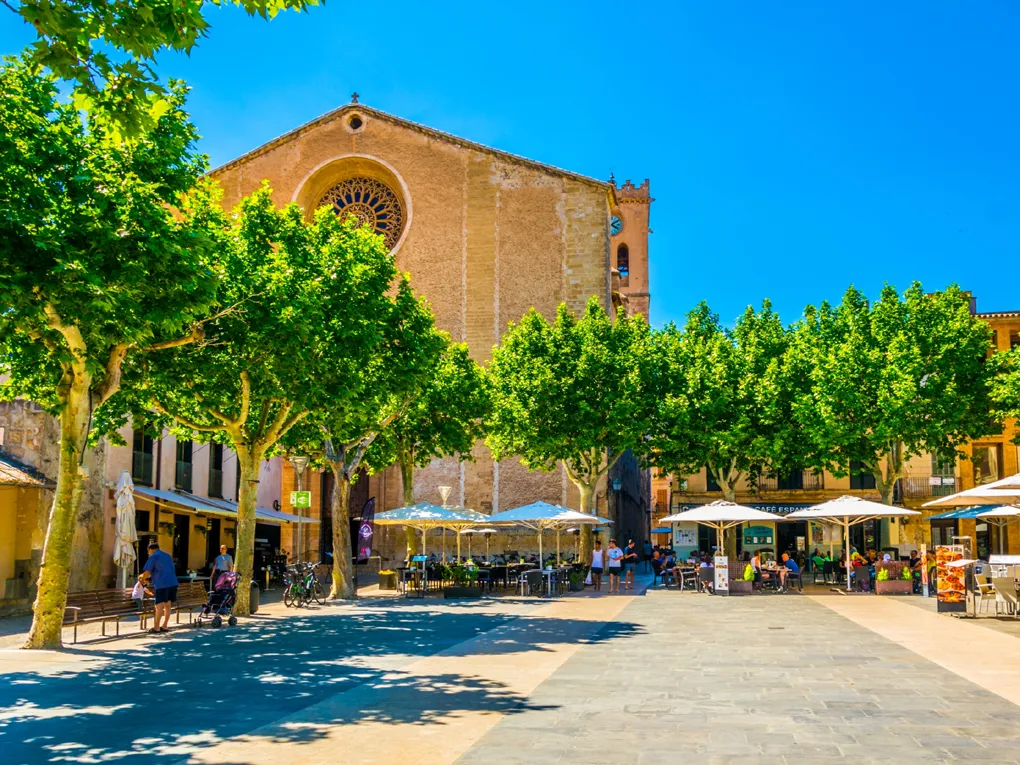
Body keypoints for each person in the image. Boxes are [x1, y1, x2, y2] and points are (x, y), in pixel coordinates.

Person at [143, 541, 178, 634]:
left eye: (148, 551)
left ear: (151, 549)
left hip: (162, 583)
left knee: (159, 606)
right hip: (172, 582)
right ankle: (165, 625)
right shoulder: (168, 555)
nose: (148, 553)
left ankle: (156, 627)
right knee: (168, 605)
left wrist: (142, 579)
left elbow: (147, 572)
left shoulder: (153, 556)